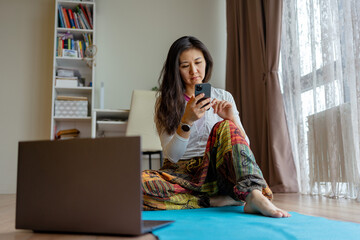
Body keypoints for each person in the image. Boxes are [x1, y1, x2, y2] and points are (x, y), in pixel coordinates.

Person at [142, 36, 290, 218]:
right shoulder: (166, 103)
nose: (194, 71)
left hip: (219, 172)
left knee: (225, 125)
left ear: (206, 62)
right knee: (134, 187)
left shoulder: (223, 97)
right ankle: (214, 201)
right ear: (176, 70)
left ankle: (253, 195)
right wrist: (186, 121)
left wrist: (232, 117)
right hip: (183, 175)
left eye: (198, 62)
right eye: (185, 66)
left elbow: (244, 147)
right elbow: (172, 156)